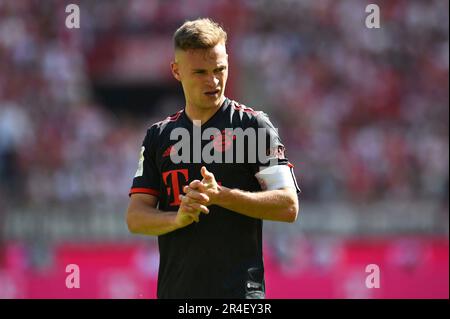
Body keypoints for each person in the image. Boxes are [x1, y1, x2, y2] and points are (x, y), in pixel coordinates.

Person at [126, 18, 300, 299]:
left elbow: (289, 206)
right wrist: (178, 218)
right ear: (176, 71)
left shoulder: (254, 127)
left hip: (240, 295)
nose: (214, 80)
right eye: (200, 72)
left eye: (220, 69)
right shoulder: (158, 137)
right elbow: (135, 217)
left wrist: (221, 195)